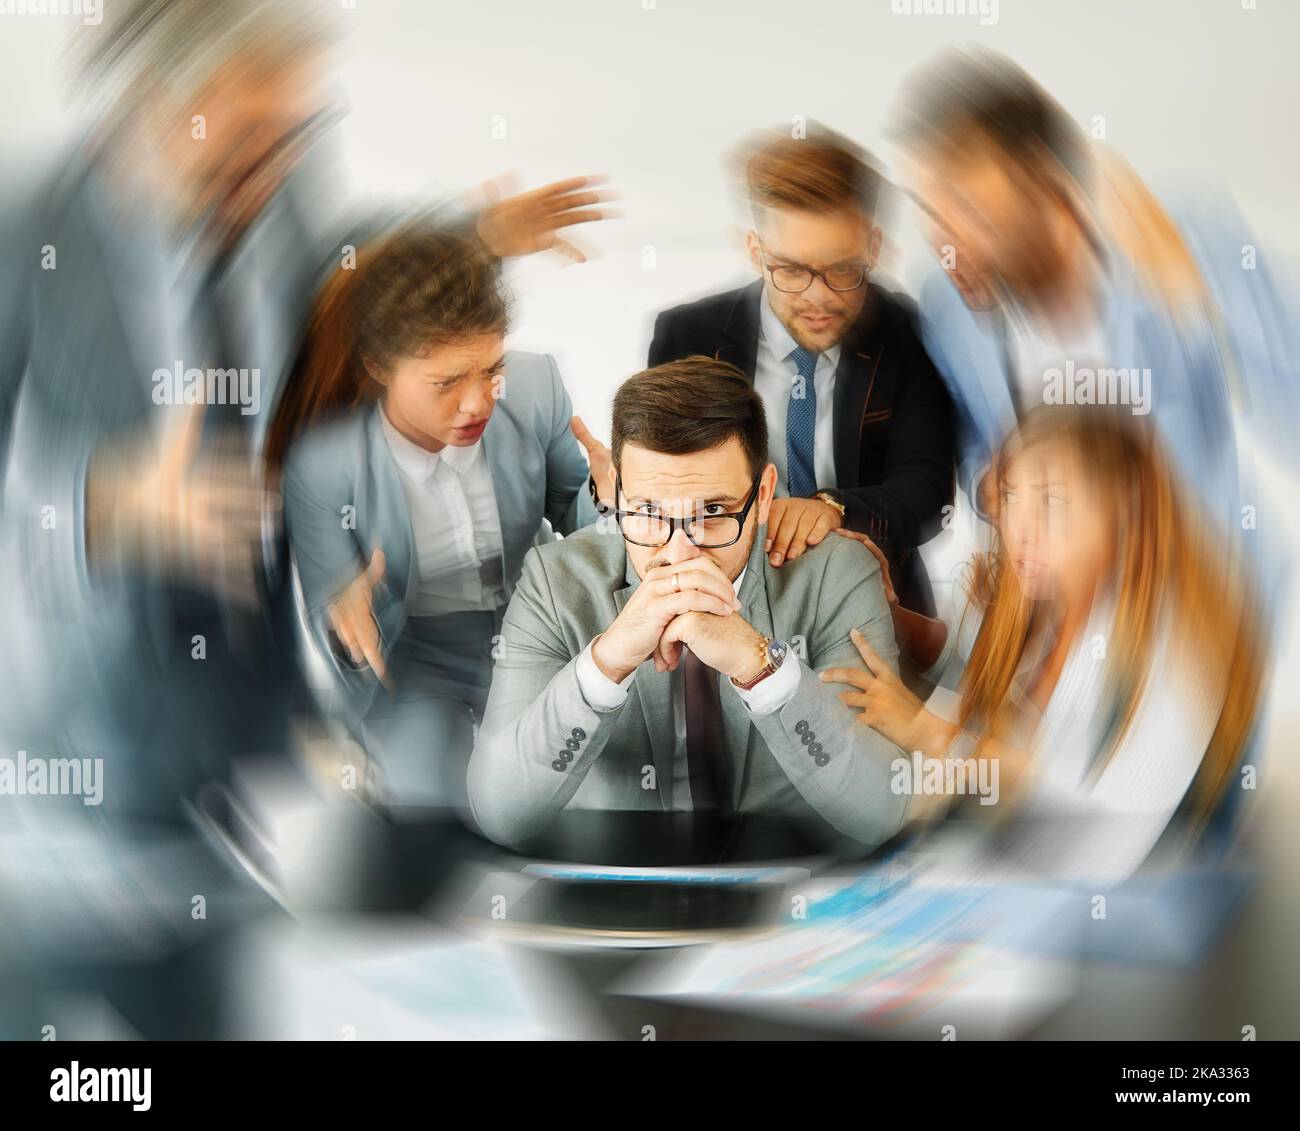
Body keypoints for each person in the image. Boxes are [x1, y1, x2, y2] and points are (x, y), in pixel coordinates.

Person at [467, 357, 910, 849]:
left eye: (714, 512)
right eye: (649, 512)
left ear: (763, 495)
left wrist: (762, 668)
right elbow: (499, 812)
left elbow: (883, 810)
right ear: (616, 491)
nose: (680, 554)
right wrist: (605, 663)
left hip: (788, 877)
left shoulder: (835, 573)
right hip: (616, 878)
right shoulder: (554, 580)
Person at [825, 406, 1265, 881]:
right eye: (1012, 498)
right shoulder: (1046, 607)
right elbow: (971, 671)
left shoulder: (1177, 647)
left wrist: (928, 731)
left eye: (1052, 502)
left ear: (1123, 509)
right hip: (999, 880)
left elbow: (1112, 824)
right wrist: (895, 619)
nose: (1020, 529)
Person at [274, 223, 610, 809]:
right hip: (417, 655)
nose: (479, 400)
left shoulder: (533, 386)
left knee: (585, 797)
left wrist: (616, 499)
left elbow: (577, 515)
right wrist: (344, 613)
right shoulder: (324, 466)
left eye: (490, 369)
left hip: (534, 626)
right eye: (447, 381)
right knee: (427, 808)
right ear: (378, 365)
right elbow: (337, 622)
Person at [648, 125, 954, 616]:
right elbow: (672, 484)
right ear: (755, 252)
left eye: (843, 269)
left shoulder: (908, 332)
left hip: (877, 598)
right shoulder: (686, 337)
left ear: (873, 247)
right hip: (726, 599)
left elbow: (928, 492)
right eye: (791, 270)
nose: (819, 298)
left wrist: (828, 508)